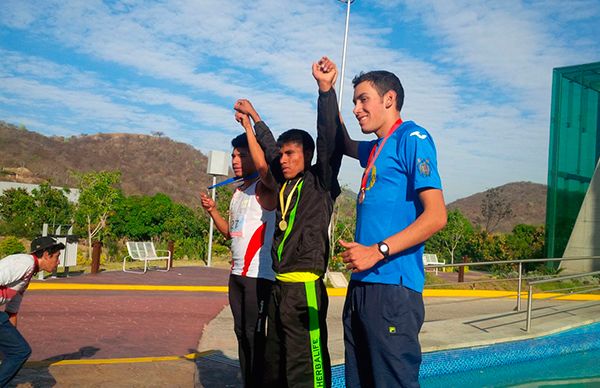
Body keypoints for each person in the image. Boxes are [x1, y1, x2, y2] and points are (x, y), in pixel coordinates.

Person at [316, 56, 447, 387]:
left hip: (392, 289)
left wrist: (379, 250)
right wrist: (326, 90)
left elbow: (436, 216)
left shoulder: (412, 138)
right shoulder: (376, 149)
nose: (358, 108)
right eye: (355, 102)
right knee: (359, 380)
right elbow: (342, 142)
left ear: (389, 99)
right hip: (362, 286)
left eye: (364, 100)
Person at [233, 61, 344, 387]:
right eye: (282, 154)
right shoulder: (284, 184)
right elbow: (268, 148)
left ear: (308, 156)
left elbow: (329, 138)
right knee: (274, 366)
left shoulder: (320, 182)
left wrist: (325, 90)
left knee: (306, 370)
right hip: (279, 287)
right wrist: (255, 118)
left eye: (291, 153)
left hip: (305, 289)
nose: (283, 158)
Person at [200, 131, 277, 387]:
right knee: (241, 333)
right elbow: (229, 233)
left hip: (259, 276)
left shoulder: (264, 190)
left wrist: (248, 121)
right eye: (233, 155)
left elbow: (266, 167)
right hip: (237, 276)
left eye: (242, 155)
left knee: (255, 337)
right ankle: (248, 381)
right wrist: (212, 211)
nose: (235, 160)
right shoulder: (238, 192)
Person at [0, 236, 65, 387]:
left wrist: (11, 340)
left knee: (17, 350)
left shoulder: (27, 274)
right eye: (57, 257)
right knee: (20, 352)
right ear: (46, 255)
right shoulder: (24, 263)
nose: (58, 262)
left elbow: (12, 312)